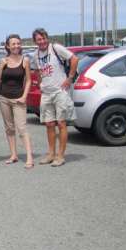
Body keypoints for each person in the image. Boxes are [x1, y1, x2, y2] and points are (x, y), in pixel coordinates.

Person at [31, 28, 79, 167]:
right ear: (35, 41)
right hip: (46, 93)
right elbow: (37, 70)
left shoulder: (56, 48)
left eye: (44, 38)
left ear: (47, 38)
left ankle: (60, 155)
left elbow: (74, 58)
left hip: (60, 91)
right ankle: (51, 154)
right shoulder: (36, 54)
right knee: (49, 124)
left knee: (61, 124)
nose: (42, 41)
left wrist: (69, 78)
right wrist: (40, 84)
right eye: (39, 39)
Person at [0, 34, 34, 169]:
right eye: (13, 44)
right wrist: (1, 67)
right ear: (7, 46)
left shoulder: (25, 60)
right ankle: (13, 155)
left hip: (19, 98)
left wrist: (24, 96)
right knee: (9, 127)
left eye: (18, 43)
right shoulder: (3, 60)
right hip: (4, 98)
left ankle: (29, 156)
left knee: (22, 128)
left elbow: (28, 80)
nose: (16, 46)